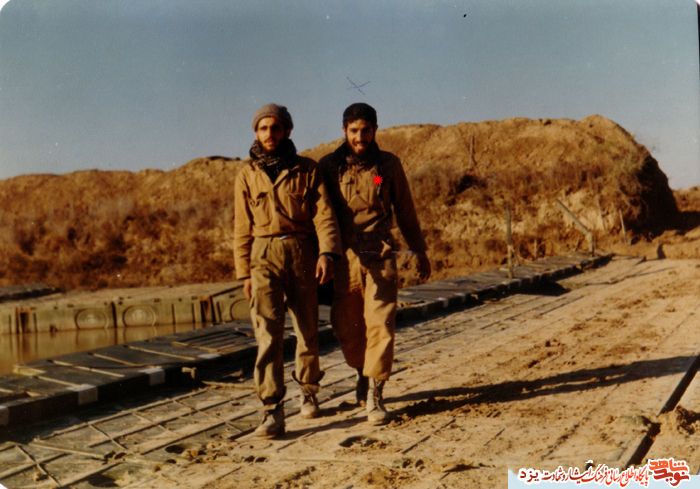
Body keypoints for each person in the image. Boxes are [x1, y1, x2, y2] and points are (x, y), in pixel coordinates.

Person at [318, 103, 431, 425]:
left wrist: (419, 251)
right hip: (344, 256)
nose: (360, 137)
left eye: (366, 130)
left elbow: (405, 210)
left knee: (380, 323)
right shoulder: (329, 167)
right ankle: (361, 372)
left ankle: (375, 392)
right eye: (354, 131)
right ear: (344, 131)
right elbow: (320, 215)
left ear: (375, 130)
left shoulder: (386, 166)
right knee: (347, 326)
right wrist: (322, 254)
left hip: (379, 252)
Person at [234, 104, 342, 438]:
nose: (269, 134)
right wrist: (244, 274)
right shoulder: (246, 174)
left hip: (301, 251)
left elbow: (324, 214)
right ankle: (272, 409)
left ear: (287, 131)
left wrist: (326, 253)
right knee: (267, 334)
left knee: (307, 328)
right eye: (263, 128)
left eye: (275, 128)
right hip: (262, 254)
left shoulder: (307, 169)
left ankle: (308, 391)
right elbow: (241, 227)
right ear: (256, 132)